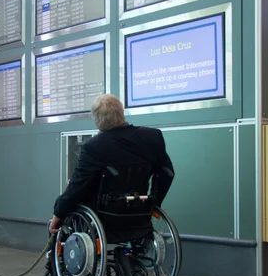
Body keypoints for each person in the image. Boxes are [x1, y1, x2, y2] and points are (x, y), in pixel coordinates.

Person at [48, 94, 174, 234]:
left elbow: (78, 186)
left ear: (97, 120)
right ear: (122, 113)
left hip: (104, 216)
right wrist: (154, 202)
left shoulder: (93, 146)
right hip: (140, 210)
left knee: (63, 202)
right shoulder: (152, 137)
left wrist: (58, 214)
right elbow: (167, 173)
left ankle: (57, 253)